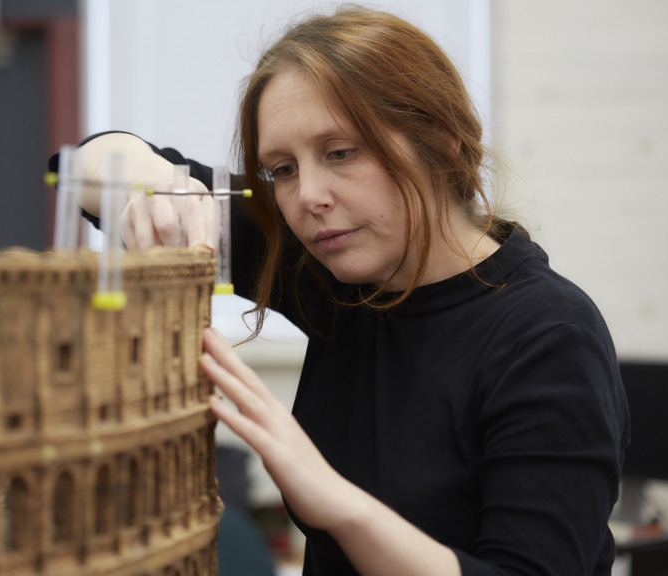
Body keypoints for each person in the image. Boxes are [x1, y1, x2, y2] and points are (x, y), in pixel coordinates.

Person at [64, 7, 629, 575]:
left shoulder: (551, 338)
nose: (308, 195)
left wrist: (336, 504)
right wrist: (158, 184)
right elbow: (84, 167)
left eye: (341, 153)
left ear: (442, 143)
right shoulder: (337, 273)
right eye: (281, 169)